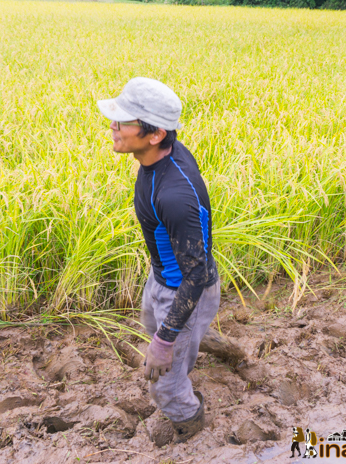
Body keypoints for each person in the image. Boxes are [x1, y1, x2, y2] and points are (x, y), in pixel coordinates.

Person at [97, 77, 220, 445]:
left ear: (155, 134)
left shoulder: (174, 195)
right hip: (162, 277)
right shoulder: (160, 156)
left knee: (164, 385)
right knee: (151, 325)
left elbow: (195, 274)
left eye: (123, 121)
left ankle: (191, 434)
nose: (113, 126)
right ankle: (197, 342)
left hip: (183, 289)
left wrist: (166, 341)